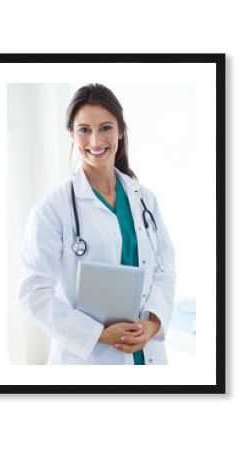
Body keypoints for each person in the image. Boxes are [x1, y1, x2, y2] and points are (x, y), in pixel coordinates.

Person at [18, 83, 176, 365]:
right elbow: (34, 293)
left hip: (146, 353)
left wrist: (152, 325)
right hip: (89, 359)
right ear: (71, 134)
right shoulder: (52, 208)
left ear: (121, 130)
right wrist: (98, 334)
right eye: (84, 130)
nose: (95, 140)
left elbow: (165, 268)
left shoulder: (144, 200)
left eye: (105, 127)